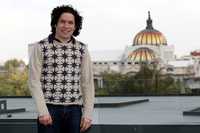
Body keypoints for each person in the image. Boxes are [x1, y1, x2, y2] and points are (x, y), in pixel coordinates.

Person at [28, 5, 95, 133]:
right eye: (62, 21)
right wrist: (42, 112)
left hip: (75, 111)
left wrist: (87, 114)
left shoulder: (82, 49)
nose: (66, 26)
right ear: (55, 23)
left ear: (75, 27)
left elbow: (87, 83)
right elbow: (33, 82)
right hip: (49, 110)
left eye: (70, 23)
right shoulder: (41, 47)